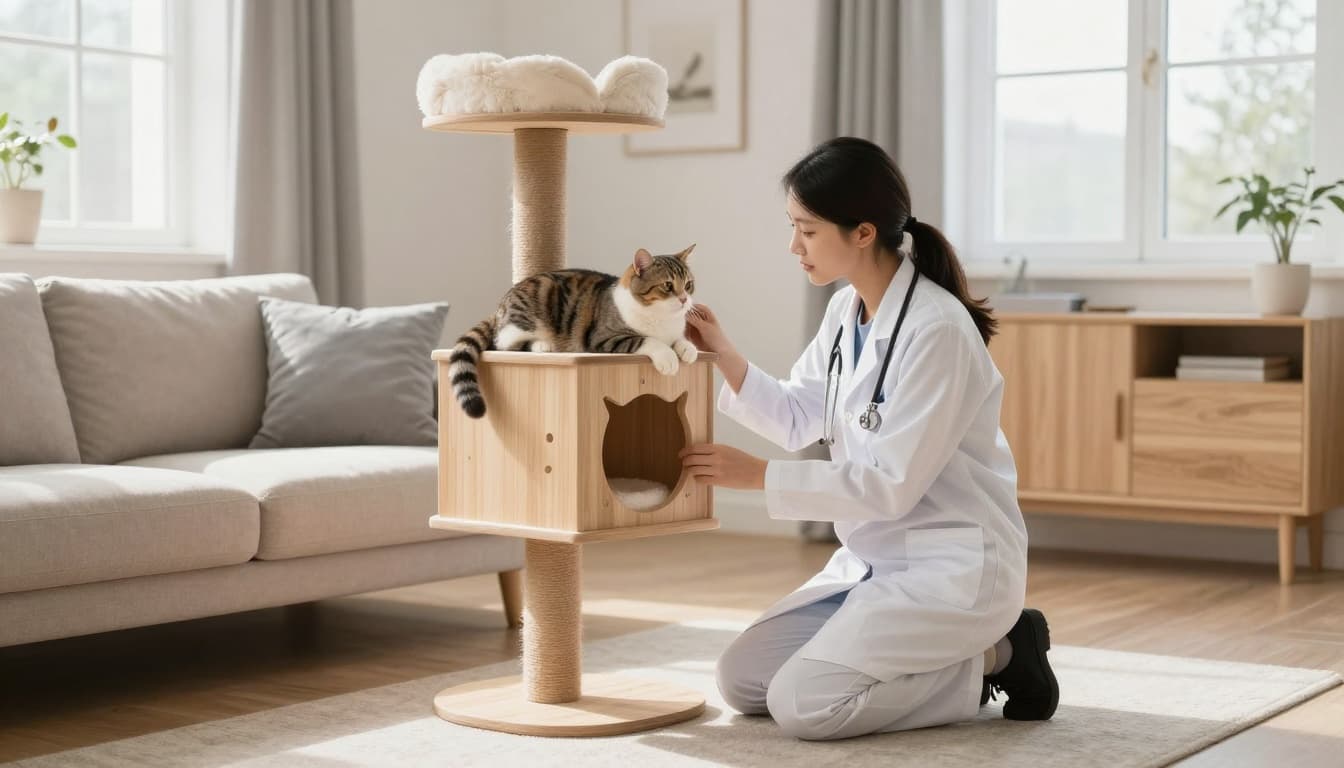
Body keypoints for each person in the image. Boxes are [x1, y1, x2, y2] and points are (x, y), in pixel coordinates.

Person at [678, 137, 1058, 741]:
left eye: (806, 230)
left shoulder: (938, 330)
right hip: (873, 563)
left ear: (861, 232)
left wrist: (757, 476)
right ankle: (971, 651)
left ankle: (1002, 653)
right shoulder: (843, 312)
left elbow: (890, 486)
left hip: (952, 566)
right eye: (791, 227)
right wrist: (724, 355)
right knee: (744, 682)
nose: (793, 247)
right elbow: (802, 414)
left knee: (805, 704)